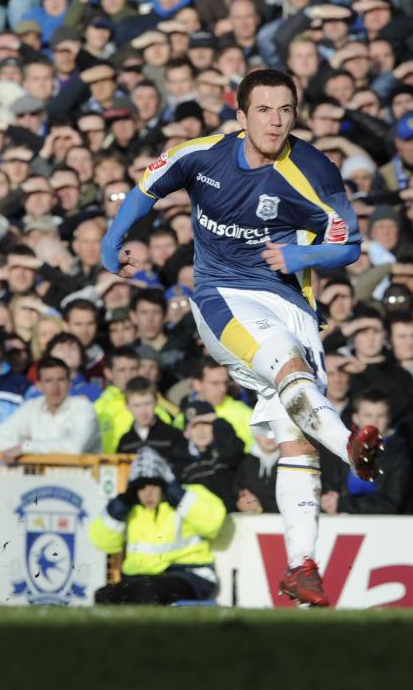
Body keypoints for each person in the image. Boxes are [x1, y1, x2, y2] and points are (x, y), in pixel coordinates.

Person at [100, 68, 382, 607]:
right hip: (221, 296)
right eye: (264, 110)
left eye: (286, 110)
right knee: (288, 369)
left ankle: (301, 568)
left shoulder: (315, 170)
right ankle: (350, 446)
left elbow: (349, 245)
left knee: (297, 439)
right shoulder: (200, 156)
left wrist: (302, 254)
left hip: (293, 304)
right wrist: (114, 240)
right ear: (240, 116)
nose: (276, 121)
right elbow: (145, 191)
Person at [90, 447, 226, 605]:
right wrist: (119, 507)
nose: (147, 493)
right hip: (142, 579)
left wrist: (180, 497)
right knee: (105, 595)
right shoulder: (131, 509)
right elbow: (101, 541)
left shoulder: (189, 495)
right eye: (141, 487)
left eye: (153, 486)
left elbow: (213, 523)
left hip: (190, 575)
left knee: (149, 591)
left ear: (164, 486)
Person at [0, 356, 100, 460]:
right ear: (38, 386)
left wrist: (26, 447)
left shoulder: (83, 407)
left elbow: (74, 447)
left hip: (83, 479)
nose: (55, 387)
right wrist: (24, 446)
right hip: (41, 480)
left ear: (69, 383)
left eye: (60, 380)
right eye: (48, 381)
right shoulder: (31, 407)